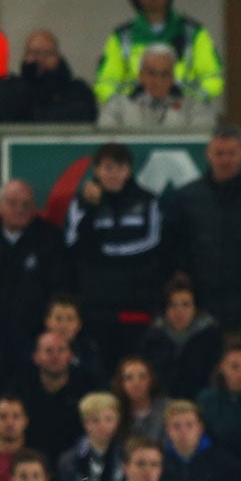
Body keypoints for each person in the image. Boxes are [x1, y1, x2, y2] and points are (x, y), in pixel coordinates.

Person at [158, 127, 241, 332]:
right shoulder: (187, 198)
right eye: (219, 153)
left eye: (232, 153)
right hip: (201, 301)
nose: (225, 160)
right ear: (208, 155)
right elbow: (170, 244)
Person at [64, 142, 169, 356]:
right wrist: (90, 208)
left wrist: (104, 253)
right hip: (97, 304)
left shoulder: (147, 201)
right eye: (108, 168)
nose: (114, 174)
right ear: (97, 170)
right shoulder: (81, 202)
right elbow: (73, 242)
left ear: (129, 170)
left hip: (137, 302)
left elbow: (152, 242)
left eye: (120, 168)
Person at [94, 0, 223, 105]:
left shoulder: (193, 33)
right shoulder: (122, 36)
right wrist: (127, 104)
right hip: (134, 116)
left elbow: (213, 78)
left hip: (183, 113)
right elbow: (105, 83)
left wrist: (188, 101)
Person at [0, 180, 71, 338]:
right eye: (12, 203)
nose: (19, 210)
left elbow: (62, 288)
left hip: (36, 333)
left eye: (26, 204)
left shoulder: (51, 239)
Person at [97, 43, 221, 133]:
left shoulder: (194, 106)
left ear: (173, 77)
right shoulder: (118, 105)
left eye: (165, 74)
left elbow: (202, 139)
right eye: (152, 73)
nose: (158, 81)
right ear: (141, 75)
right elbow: (105, 138)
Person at [0, 31, 95, 124]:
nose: (40, 59)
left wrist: (30, 114)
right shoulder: (8, 87)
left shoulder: (77, 90)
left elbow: (83, 115)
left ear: (58, 57)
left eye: (47, 53)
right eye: (33, 53)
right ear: (24, 56)